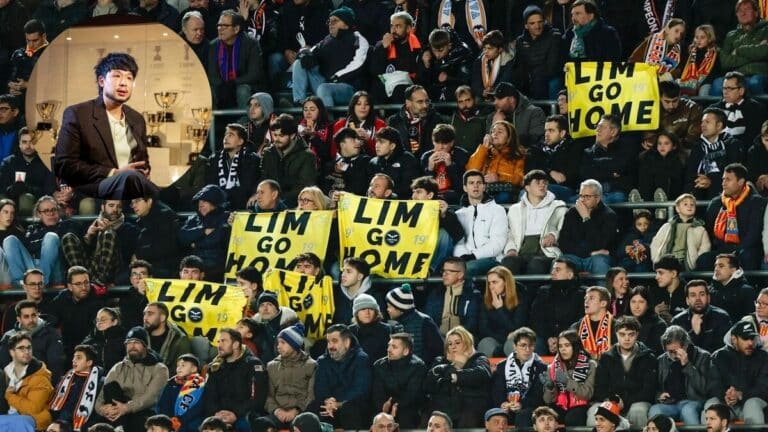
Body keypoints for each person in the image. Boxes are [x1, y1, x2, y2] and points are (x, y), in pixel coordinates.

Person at [54, 53, 156, 200]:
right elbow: (64, 165)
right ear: (101, 81)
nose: (124, 83)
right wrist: (113, 173)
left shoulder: (137, 119)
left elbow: (143, 162)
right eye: (117, 76)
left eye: (129, 78)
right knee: (131, 178)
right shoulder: (78, 114)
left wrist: (144, 171)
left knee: (171, 193)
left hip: (132, 186)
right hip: (94, 187)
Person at [291, 6, 369, 107]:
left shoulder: (357, 38)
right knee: (300, 63)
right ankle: (300, 103)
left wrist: (337, 77)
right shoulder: (326, 41)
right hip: (326, 84)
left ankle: (328, 121)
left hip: (349, 87)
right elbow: (310, 52)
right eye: (329, 21)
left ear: (346, 24)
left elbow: (359, 63)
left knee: (324, 88)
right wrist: (304, 54)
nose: (331, 24)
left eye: (335, 21)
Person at [94, 327, 169, 431]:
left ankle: (119, 428)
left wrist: (126, 408)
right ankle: (119, 427)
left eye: (137, 342)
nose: (132, 346)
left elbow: (151, 398)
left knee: (138, 421)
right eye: (129, 343)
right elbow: (100, 398)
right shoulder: (118, 367)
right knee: (111, 387)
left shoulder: (159, 368)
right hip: (117, 413)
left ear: (145, 346)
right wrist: (103, 409)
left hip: (143, 413)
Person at [586, 316, 656, 427]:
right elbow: (599, 388)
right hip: (611, 401)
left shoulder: (648, 357)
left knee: (638, 410)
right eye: (622, 334)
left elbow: (649, 390)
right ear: (616, 334)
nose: (626, 339)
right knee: (595, 411)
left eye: (631, 334)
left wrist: (625, 402)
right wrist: (613, 401)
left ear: (637, 335)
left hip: (638, 401)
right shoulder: (606, 357)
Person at [699, 163, 766, 270]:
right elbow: (709, 231)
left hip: (747, 249)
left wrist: (735, 252)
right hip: (723, 250)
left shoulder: (756, 202)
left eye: (728, 180)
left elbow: (754, 234)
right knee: (703, 260)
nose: (723, 183)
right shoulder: (716, 203)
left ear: (740, 182)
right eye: (723, 179)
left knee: (748, 257)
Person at [251, 323, 316, 432]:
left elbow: (311, 396)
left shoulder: (311, 365)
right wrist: (277, 411)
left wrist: (296, 411)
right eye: (278, 343)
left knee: (306, 424)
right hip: (277, 414)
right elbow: (268, 394)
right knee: (260, 424)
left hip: (300, 413)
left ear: (294, 345)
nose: (278, 346)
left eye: (283, 343)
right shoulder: (272, 366)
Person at [3, 196, 80, 287]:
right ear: (39, 214)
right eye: (46, 211)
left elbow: (66, 243)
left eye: (54, 210)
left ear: (58, 211)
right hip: (32, 266)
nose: (51, 213)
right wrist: (42, 243)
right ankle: (20, 283)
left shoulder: (67, 224)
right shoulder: (32, 228)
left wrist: (41, 241)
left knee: (51, 237)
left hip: (53, 271)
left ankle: (42, 282)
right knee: (10, 240)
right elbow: (28, 246)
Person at [424, 326, 491, 427]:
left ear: (467, 344)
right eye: (449, 344)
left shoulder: (478, 358)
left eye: (457, 343)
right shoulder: (440, 361)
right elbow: (428, 384)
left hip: (468, 407)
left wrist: (455, 376)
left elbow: (482, 374)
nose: (453, 346)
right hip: (443, 407)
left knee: (468, 416)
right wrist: (452, 366)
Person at [502, 170, 566, 274]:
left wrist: (554, 235)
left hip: (546, 251)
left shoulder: (558, 206)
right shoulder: (515, 209)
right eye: (537, 182)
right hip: (521, 251)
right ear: (527, 187)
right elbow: (509, 233)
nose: (542, 185)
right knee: (508, 262)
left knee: (536, 264)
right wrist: (511, 249)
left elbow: (565, 228)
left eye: (545, 183)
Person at [61, 199, 138, 285]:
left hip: (112, 270)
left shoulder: (128, 228)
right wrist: (88, 237)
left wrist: (110, 231)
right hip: (91, 268)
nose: (115, 210)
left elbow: (126, 255)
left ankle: (99, 282)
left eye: (119, 206)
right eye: (111, 206)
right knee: (68, 237)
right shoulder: (92, 224)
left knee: (108, 234)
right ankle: (81, 278)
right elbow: (85, 254)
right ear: (103, 207)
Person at [204, 328, 267, 431]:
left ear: (236, 344)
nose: (219, 345)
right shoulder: (215, 367)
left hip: (245, 414)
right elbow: (209, 395)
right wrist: (216, 414)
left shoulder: (253, 364)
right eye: (218, 341)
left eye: (224, 341)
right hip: (218, 415)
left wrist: (235, 414)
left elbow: (257, 398)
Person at [705, 321, 768, 424]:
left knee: (751, 404)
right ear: (734, 339)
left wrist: (741, 394)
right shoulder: (719, 356)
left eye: (752, 338)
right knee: (712, 405)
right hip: (726, 404)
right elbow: (712, 385)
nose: (750, 343)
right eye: (745, 338)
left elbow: (764, 386)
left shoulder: (763, 357)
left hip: (752, 403)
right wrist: (725, 395)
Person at [647, 325, 710, 426]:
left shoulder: (703, 356)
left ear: (685, 346)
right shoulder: (661, 360)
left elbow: (704, 388)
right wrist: (659, 396)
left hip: (693, 401)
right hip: (670, 404)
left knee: (688, 411)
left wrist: (687, 365)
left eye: (675, 351)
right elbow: (654, 387)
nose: (673, 355)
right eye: (669, 352)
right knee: (655, 410)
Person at [311, 324, 371, 430]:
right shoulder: (322, 361)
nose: (330, 346)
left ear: (347, 342)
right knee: (314, 409)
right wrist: (328, 401)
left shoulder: (361, 359)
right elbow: (320, 387)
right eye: (328, 341)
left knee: (350, 409)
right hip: (330, 405)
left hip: (352, 404)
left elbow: (360, 389)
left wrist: (339, 403)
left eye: (334, 341)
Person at [453, 170, 509, 276]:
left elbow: (498, 243)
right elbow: (458, 242)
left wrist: (473, 256)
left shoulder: (497, 210)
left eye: (479, 183)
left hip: (492, 259)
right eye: (471, 183)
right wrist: (462, 257)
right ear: (465, 188)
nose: (475, 186)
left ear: (484, 186)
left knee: (468, 269)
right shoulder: (459, 214)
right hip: (466, 260)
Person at [489, 327, 546, 428]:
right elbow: (497, 391)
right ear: (515, 346)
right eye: (523, 345)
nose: (527, 349)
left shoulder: (541, 367)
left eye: (531, 346)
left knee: (523, 415)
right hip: (507, 407)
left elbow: (539, 395)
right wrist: (502, 403)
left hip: (529, 408)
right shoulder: (502, 366)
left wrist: (521, 404)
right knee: (495, 415)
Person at [558, 180, 618, 275]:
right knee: (559, 264)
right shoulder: (571, 213)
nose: (582, 200)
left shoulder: (609, 215)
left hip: (597, 258)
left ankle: (602, 290)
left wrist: (586, 218)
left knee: (600, 263)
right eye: (581, 196)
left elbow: (601, 244)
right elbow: (563, 243)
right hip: (576, 257)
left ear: (598, 198)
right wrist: (589, 253)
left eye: (587, 196)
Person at [206, 10, 263, 109]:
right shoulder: (213, 45)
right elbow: (212, 75)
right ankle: (213, 123)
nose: (220, 29)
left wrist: (233, 83)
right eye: (219, 25)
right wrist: (222, 85)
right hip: (222, 86)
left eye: (225, 26)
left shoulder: (251, 44)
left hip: (245, 85)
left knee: (242, 90)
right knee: (210, 89)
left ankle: (245, 121)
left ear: (236, 29)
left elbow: (254, 74)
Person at [685, 108, 744, 201]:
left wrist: (711, 182)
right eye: (702, 122)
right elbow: (690, 174)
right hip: (699, 193)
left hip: (726, 195)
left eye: (707, 122)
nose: (702, 125)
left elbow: (735, 174)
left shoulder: (733, 145)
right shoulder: (697, 147)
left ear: (719, 125)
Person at [530, 258, 587, 355]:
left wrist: (561, 338)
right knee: (534, 344)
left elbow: (582, 321)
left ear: (570, 275)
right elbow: (536, 319)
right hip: (546, 339)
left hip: (571, 337)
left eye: (557, 270)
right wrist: (548, 338)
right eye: (553, 269)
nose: (552, 272)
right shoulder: (543, 292)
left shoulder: (583, 294)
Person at [0, 299, 65, 383]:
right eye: (26, 316)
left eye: (33, 315)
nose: (31, 320)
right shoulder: (8, 336)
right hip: (14, 384)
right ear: (19, 319)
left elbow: (56, 365)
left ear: (38, 314)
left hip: (42, 383)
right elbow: (4, 364)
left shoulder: (51, 334)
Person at [48, 266, 106, 359]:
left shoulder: (97, 301)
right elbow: (49, 318)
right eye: (78, 284)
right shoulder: (63, 297)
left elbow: (97, 333)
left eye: (86, 282)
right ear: (70, 287)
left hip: (91, 350)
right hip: (67, 349)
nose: (83, 287)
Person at [712, 0, 768, 97]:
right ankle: (718, 112)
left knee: (755, 83)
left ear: (756, 12)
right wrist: (756, 51)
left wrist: (738, 50)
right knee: (717, 84)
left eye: (747, 9)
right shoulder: (731, 35)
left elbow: (765, 52)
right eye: (739, 11)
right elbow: (725, 62)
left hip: (760, 73)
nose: (743, 13)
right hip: (736, 76)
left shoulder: (766, 29)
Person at [541, 329, 596, 426]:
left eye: (567, 345)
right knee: (546, 417)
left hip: (582, 406)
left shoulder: (590, 365)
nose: (563, 349)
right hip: (560, 405)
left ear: (575, 346)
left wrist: (567, 382)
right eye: (560, 346)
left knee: (573, 417)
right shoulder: (552, 367)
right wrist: (550, 387)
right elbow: (548, 400)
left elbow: (587, 394)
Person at [261, 114, 318, 207]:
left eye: (281, 135)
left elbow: (304, 186)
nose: (277, 139)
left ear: (292, 135)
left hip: (295, 203)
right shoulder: (268, 153)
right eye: (275, 135)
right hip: (271, 199)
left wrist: (277, 199)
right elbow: (263, 178)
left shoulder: (307, 156)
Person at [371, 333, 426, 428]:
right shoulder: (379, 365)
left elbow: (412, 395)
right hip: (383, 407)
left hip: (408, 408)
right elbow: (377, 392)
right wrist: (384, 407)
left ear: (406, 351)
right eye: (389, 346)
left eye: (394, 347)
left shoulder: (418, 366)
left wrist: (394, 405)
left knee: (405, 416)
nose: (388, 349)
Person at [3, 332, 54, 430]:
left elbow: (33, 408)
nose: (26, 351)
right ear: (12, 352)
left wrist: (10, 396)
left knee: (15, 422)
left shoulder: (40, 377)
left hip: (34, 419)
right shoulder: (6, 371)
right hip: (10, 417)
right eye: (21, 348)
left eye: (29, 347)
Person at [579, 114, 635, 204]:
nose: (597, 130)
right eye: (597, 127)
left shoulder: (626, 151)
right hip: (592, 194)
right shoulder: (588, 152)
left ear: (613, 132)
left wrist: (596, 166)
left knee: (614, 198)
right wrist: (611, 173)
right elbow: (585, 175)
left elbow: (622, 170)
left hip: (615, 193)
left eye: (601, 127)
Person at [179, 185, 231, 280]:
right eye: (199, 202)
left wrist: (195, 242)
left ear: (215, 203)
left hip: (216, 270)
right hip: (194, 269)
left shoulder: (227, 218)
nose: (201, 205)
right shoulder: (193, 219)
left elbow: (217, 240)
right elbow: (182, 237)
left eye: (204, 201)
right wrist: (202, 231)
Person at [0, 126, 56, 215]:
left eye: (32, 142)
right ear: (19, 144)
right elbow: (2, 187)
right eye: (24, 142)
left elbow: (48, 190)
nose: (28, 146)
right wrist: (12, 189)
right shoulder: (8, 162)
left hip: (37, 203)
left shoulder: (46, 163)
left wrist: (26, 188)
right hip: (10, 202)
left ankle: (27, 228)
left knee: (25, 198)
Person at [369, 11, 422, 104]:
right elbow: (374, 71)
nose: (393, 30)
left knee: (399, 89)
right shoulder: (382, 45)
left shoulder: (417, 47)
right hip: (385, 85)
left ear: (409, 28)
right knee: (376, 87)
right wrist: (383, 49)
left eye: (398, 26)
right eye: (392, 26)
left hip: (407, 86)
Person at [525, 115, 581, 201]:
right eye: (546, 130)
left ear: (562, 133)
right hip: (539, 186)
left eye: (551, 131)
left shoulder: (573, 149)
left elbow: (565, 178)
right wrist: (550, 172)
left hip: (565, 189)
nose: (546, 134)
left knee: (541, 191)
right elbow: (529, 173)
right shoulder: (536, 149)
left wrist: (543, 172)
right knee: (524, 193)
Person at [205, 123, 260, 210]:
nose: (226, 138)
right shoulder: (214, 159)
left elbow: (249, 185)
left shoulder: (252, 159)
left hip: (244, 205)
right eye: (225, 135)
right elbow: (210, 184)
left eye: (230, 135)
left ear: (240, 141)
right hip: (220, 207)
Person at [468, 120, 525, 203]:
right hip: (484, 190)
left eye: (500, 131)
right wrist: (483, 148)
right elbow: (471, 170)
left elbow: (519, 179)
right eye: (493, 131)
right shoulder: (484, 151)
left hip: (504, 191)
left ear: (509, 137)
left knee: (503, 197)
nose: (495, 134)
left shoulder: (517, 155)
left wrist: (499, 177)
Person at [651, 193, 711, 272]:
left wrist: (695, 261)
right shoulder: (667, 226)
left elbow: (705, 248)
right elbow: (656, 244)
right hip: (669, 260)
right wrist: (657, 259)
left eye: (692, 204)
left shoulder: (700, 229)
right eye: (685, 204)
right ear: (677, 209)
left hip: (687, 262)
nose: (689, 206)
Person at [385, 284, 443, 365]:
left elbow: (439, 351)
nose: (388, 310)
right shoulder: (396, 325)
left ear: (400, 308)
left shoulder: (425, 322)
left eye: (390, 306)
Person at [477, 266, 529, 356]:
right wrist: (503, 338)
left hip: (515, 338)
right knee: (485, 343)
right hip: (496, 338)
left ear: (506, 282)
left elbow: (516, 327)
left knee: (512, 344)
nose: (491, 287)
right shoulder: (486, 299)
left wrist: (500, 309)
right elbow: (483, 329)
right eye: (489, 283)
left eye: (495, 282)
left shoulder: (521, 297)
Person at [50, 345, 104, 432]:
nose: (74, 360)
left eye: (78, 358)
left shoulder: (100, 383)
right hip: (60, 424)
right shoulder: (65, 379)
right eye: (74, 357)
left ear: (89, 362)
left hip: (84, 427)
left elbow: (98, 411)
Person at [671, 280, 732, 353]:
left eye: (702, 294)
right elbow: (677, 351)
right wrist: (694, 333)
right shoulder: (678, 321)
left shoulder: (722, 317)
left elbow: (724, 350)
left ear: (708, 298)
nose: (698, 299)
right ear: (687, 300)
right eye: (693, 295)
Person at [710, 71, 768, 147]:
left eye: (730, 88)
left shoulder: (757, 110)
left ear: (741, 91)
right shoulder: (713, 109)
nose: (725, 92)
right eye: (724, 88)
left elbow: (754, 141)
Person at [424, 257, 480, 335]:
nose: (444, 274)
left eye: (449, 272)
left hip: (463, 338)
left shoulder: (472, 294)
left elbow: (472, 322)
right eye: (443, 271)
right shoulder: (436, 293)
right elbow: (428, 319)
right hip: (438, 338)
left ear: (460, 275)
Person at [635, 132, 686, 216]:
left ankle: (660, 207)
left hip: (674, 200)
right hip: (651, 199)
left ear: (674, 146)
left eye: (666, 143)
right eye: (659, 143)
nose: (662, 146)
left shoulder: (680, 161)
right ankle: (643, 208)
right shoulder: (649, 159)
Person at [515, 7, 562, 99]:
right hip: (531, 78)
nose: (537, 26)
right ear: (526, 25)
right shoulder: (520, 41)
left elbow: (551, 67)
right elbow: (520, 67)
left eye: (540, 22)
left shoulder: (554, 36)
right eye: (532, 23)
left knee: (546, 81)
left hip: (547, 78)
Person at [131, 194, 181, 279]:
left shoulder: (165, 216)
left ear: (149, 201)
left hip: (164, 268)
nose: (134, 206)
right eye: (132, 203)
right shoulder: (143, 218)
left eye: (137, 201)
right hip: (149, 265)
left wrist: (138, 257)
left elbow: (163, 249)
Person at [387, 85, 444, 158]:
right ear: (408, 103)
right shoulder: (394, 121)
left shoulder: (437, 120)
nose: (425, 106)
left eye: (427, 101)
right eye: (420, 102)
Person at [417, 28, 473, 103]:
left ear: (449, 45)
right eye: (434, 50)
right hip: (435, 97)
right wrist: (426, 66)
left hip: (456, 97)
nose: (437, 55)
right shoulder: (427, 55)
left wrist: (449, 78)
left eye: (440, 50)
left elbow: (467, 81)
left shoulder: (463, 54)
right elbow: (423, 83)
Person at [485, 83, 545, 149]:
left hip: (524, 156)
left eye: (499, 99)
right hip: (498, 157)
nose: (495, 102)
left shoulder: (534, 112)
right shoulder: (493, 117)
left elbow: (536, 141)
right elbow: (489, 145)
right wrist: (495, 125)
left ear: (511, 99)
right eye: (495, 99)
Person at [420, 124, 469, 204]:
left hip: (454, 196)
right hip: (432, 196)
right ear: (433, 141)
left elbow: (461, 186)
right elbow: (423, 187)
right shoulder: (426, 157)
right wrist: (430, 169)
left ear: (452, 143)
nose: (440, 147)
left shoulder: (461, 155)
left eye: (444, 143)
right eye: (437, 142)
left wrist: (450, 165)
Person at [157, 354, 206, 432]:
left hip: (190, 422)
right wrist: (168, 420)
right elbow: (163, 403)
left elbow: (199, 408)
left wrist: (180, 420)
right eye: (178, 366)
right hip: (170, 421)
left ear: (194, 368)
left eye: (183, 365)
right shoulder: (171, 383)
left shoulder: (199, 385)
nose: (179, 368)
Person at [369, 126, 420, 199]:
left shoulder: (408, 160)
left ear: (392, 146)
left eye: (382, 142)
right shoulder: (373, 163)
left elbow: (408, 189)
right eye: (377, 141)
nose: (377, 145)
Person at [330, 91, 386, 157]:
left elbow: (384, 152)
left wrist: (368, 140)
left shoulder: (380, 124)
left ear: (370, 107)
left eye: (367, 104)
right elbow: (333, 152)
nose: (363, 107)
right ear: (353, 106)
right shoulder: (340, 124)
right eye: (358, 104)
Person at [143, 302, 192, 371]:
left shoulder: (179, 340)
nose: (145, 318)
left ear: (162, 318)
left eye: (150, 314)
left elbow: (179, 372)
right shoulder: (139, 335)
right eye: (144, 314)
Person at [658, 81, 704, 152]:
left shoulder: (692, 109)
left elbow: (692, 139)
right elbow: (650, 135)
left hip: (683, 150)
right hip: (659, 149)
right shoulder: (653, 109)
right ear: (659, 98)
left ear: (680, 96)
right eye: (667, 102)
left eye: (675, 101)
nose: (671, 106)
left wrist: (671, 145)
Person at [709, 254, 757, 321]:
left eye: (721, 266)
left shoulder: (747, 291)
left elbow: (750, 321)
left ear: (733, 270)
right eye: (715, 266)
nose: (716, 269)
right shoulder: (709, 291)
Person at [571, 286, 614, 359]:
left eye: (591, 298)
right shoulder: (576, 327)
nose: (586, 301)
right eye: (585, 298)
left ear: (603, 303)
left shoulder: (616, 326)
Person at [81, 307, 126, 374]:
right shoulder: (89, 341)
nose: (99, 322)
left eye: (103, 319)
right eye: (97, 320)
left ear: (114, 322)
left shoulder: (124, 341)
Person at [678, 24, 719, 96]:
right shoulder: (690, 52)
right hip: (690, 81)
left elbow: (714, 74)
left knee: (703, 91)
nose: (698, 40)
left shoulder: (715, 53)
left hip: (706, 82)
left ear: (709, 38)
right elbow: (683, 70)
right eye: (696, 37)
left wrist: (699, 83)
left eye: (702, 37)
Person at [627, 286, 668, 356]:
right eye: (633, 302)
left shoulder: (659, 325)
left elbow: (655, 353)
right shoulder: (624, 322)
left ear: (648, 305)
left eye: (641, 302)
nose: (636, 306)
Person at [450, 86, 485, 154]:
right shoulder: (451, 121)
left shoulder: (483, 120)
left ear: (474, 100)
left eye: (468, 100)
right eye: (460, 102)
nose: (465, 105)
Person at [119, 260, 151, 329]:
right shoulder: (125, 299)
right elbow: (132, 323)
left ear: (150, 277)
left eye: (142, 273)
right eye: (134, 274)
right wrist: (140, 295)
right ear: (131, 280)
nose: (138, 277)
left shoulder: (158, 294)